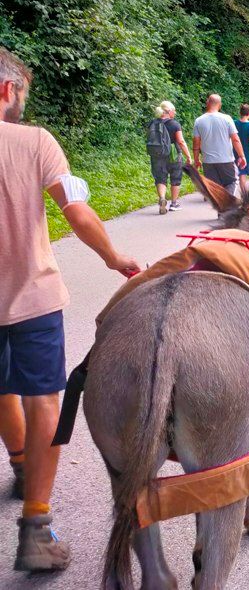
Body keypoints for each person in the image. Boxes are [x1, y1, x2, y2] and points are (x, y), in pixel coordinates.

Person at [0, 47, 140, 572]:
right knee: (43, 399)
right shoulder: (35, 141)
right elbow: (76, 212)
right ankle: (35, 524)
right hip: (32, 298)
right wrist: (114, 258)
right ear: (7, 89)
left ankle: (20, 462)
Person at [192, 94, 246, 197]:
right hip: (226, 160)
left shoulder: (198, 121)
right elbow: (235, 139)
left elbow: (196, 143)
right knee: (232, 182)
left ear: (207, 103)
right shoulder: (227, 118)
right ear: (220, 105)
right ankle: (227, 205)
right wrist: (242, 156)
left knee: (214, 188)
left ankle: (222, 209)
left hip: (208, 162)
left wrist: (196, 159)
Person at [146, 100, 193, 214]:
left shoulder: (152, 123)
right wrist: (188, 156)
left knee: (160, 178)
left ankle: (162, 198)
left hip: (157, 154)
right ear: (169, 111)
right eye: (174, 110)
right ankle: (174, 203)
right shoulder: (174, 124)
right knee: (175, 177)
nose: (175, 113)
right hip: (173, 154)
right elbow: (181, 141)